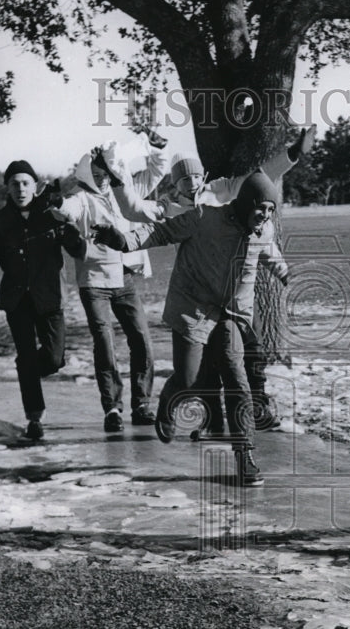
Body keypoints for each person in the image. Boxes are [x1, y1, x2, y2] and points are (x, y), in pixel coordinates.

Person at [92, 170, 289, 487]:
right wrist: (123, 240)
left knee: (237, 379)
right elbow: (159, 233)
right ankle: (170, 399)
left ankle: (245, 456)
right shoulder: (202, 217)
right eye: (260, 208)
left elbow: (271, 253)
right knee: (190, 379)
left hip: (229, 314)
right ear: (245, 203)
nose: (265, 216)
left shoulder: (261, 230)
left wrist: (286, 273)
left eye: (270, 210)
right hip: (193, 307)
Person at [111, 126, 315, 432]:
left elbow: (258, 177)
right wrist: (116, 179)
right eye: (184, 179)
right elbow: (134, 208)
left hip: (235, 290)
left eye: (195, 176)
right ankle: (211, 420)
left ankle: (256, 407)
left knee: (253, 347)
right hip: (198, 291)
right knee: (203, 367)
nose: (192, 182)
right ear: (175, 184)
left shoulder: (223, 190)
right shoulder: (171, 208)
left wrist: (292, 153)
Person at [0, 160, 86, 441]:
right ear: (7, 188)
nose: (20, 188)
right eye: (14, 184)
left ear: (35, 186)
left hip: (51, 298)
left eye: (25, 183)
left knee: (55, 359)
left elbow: (79, 250)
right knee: (27, 354)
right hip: (17, 300)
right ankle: (34, 418)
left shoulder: (52, 215)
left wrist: (67, 227)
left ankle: (27, 370)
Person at [55, 142, 166, 434]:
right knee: (104, 343)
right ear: (87, 173)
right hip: (94, 281)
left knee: (141, 339)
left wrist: (157, 148)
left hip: (126, 277)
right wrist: (56, 203)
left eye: (106, 171)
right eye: (96, 171)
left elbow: (157, 170)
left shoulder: (126, 189)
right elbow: (67, 210)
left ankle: (141, 404)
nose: (102, 176)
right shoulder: (81, 197)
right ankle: (112, 408)